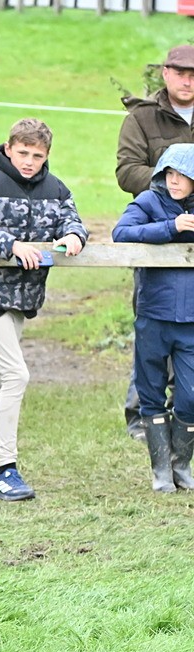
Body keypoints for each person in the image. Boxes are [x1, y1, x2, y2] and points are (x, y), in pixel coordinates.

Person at [0, 118, 87, 502]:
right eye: (22, 152)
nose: (29, 161)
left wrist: (75, 235)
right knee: (16, 374)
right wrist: (10, 245)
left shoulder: (56, 189)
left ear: (47, 156)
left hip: (25, 299)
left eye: (37, 155)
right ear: (9, 149)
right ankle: (6, 469)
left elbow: (73, 222)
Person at [117, 45, 194, 440]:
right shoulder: (142, 118)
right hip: (156, 235)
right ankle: (142, 416)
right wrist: (171, 179)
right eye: (180, 72)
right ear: (165, 73)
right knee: (152, 328)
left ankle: (184, 416)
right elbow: (127, 171)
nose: (188, 81)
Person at [111, 144, 194, 493]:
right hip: (153, 315)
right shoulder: (148, 202)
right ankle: (161, 471)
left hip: (191, 321)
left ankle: (181, 466)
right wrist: (170, 227)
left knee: (190, 396)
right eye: (169, 174)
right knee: (150, 391)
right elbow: (121, 233)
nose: (174, 181)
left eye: (183, 175)